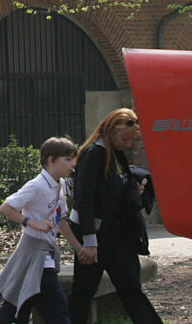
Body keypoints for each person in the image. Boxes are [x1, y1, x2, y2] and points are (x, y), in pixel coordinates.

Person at [67, 108, 162, 324]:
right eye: (125, 139)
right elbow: (83, 200)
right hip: (95, 234)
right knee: (82, 293)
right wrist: (90, 241)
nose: (128, 145)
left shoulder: (116, 155)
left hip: (118, 234)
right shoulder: (93, 154)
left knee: (131, 288)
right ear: (111, 131)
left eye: (132, 140)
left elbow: (114, 189)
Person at [0, 137, 82, 324]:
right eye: (68, 159)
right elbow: (6, 207)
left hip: (45, 252)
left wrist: (79, 249)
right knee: (55, 308)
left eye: (73, 159)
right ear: (52, 160)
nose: (73, 165)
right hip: (34, 253)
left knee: (18, 304)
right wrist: (32, 222)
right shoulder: (37, 186)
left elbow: (61, 221)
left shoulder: (59, 185)